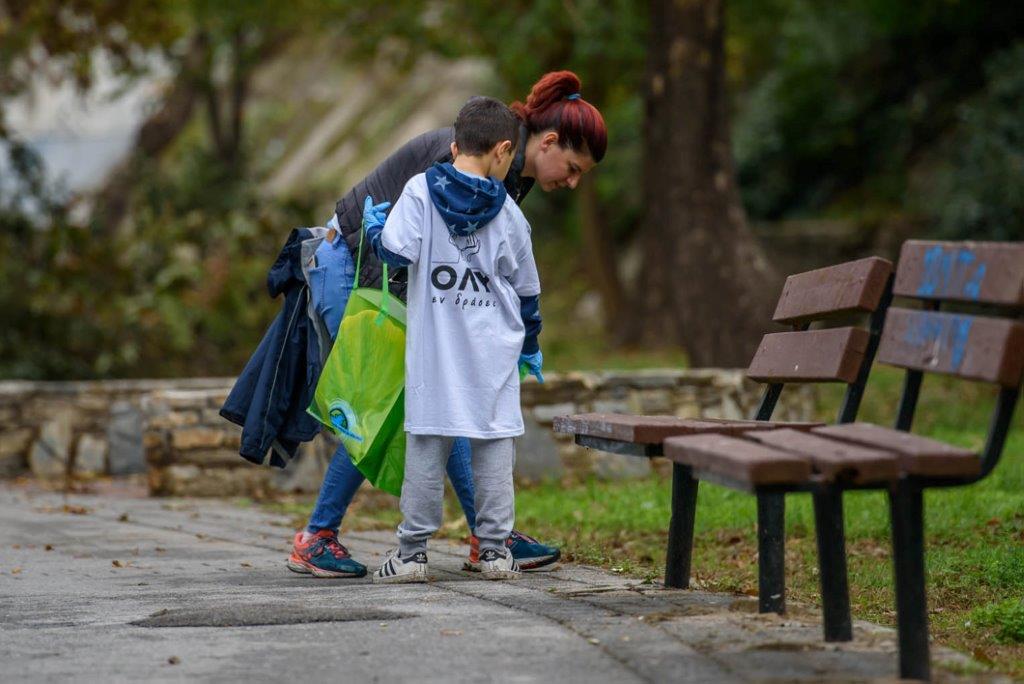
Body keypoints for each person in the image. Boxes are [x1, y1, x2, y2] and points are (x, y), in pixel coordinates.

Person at [287, 70, 607, 578]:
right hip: (351, 259)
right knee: (382, 398)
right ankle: (318, 536)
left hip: (393, 270)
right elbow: (408, 248)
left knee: (445, 395)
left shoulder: (505, 175)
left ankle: (487, 538)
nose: (572, 182)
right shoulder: (466, 159)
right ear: (545, 143)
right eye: (572, 168)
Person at [370, 96, 535, 582]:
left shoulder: (419, 191)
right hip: (493, 355)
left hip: (435, 356)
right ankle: (495, 553)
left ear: (456, 145)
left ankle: (412, 555)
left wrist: (379, 230)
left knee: (426, 448)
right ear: (503, 150)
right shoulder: (509, 213)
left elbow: (395, 252)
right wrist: (531, 345)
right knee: (494, 448)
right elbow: (527, 289)